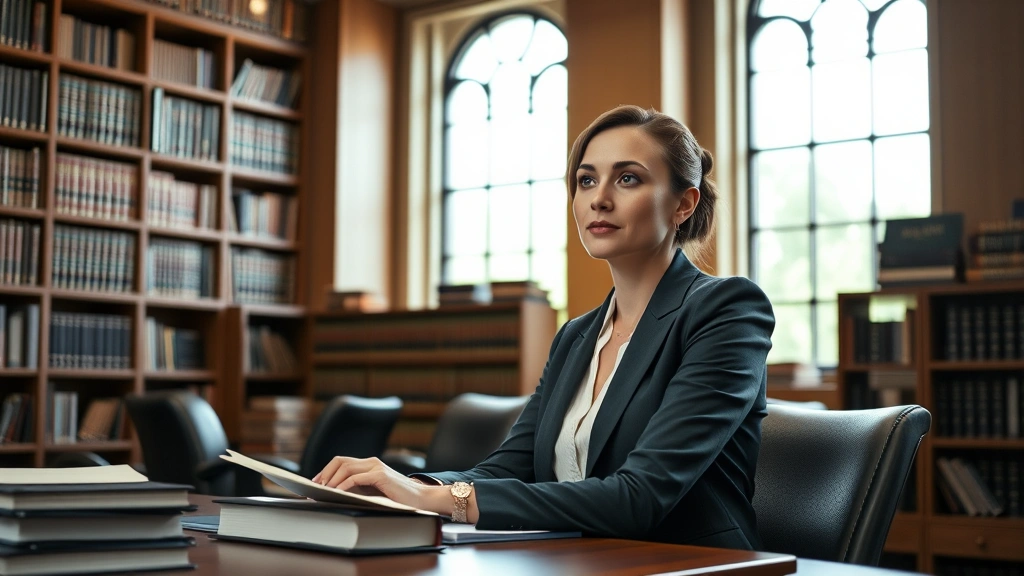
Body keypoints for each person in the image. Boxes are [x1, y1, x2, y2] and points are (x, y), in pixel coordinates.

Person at [313, 105, 776, 550]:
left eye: (628, 178)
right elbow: (509, 468)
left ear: (683, 204)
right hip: (583, 562)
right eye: (586, 180)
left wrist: (438, 501)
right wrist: (404, 488)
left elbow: (640, 497)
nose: (600, 197)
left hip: (695, 566)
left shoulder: (727, 310)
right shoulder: (577, 335)